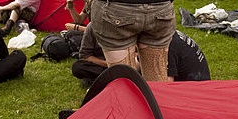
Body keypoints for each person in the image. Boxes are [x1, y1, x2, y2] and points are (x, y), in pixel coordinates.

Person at [72, 26, 209, 88]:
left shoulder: (164, 48)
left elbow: (165, 86)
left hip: (191, 92)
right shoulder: (165, 35)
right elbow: (139, 65)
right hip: (198, 85)